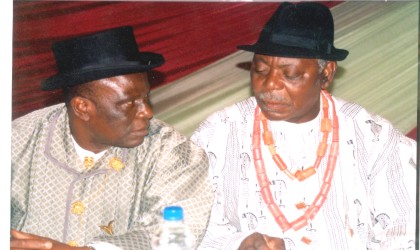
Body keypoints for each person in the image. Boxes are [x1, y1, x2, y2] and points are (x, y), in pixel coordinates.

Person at [191, 2, 417, 250]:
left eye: (290, 75)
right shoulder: (219, 132)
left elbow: (406, 225)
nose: (269, 86)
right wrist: (237, 243)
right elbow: (188, 221)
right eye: (260, 70)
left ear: (326, 74)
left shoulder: (374, 137)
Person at [11, 26, 213, 250]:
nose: (147, 111)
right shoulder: (16, 143)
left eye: (146, 97)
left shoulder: (172, 151)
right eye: (129, 103)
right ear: (82, 108)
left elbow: (176, 235)